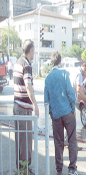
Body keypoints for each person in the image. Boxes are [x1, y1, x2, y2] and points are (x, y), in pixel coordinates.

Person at [44, 51, 78, 175]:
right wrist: (73, 109)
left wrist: (52, 114)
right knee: (72, 140)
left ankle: (59, 170)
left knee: (58, 143)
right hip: (67, 113)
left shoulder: (48, 78)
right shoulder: (64, 74)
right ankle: (72, 169)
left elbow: (46, 100)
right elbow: (70, 93)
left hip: (56, 115)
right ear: (60, 62)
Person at [13, 39, 39, 174]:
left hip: (17, 106)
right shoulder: (27, 65)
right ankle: (25, 169)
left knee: (19, 140)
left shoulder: (17, 62)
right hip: (24, 109)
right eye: (33, 50)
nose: (34, 53)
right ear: (30, 51)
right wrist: (35, 104)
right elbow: (28, 86)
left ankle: (20, 168)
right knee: (27, 141)